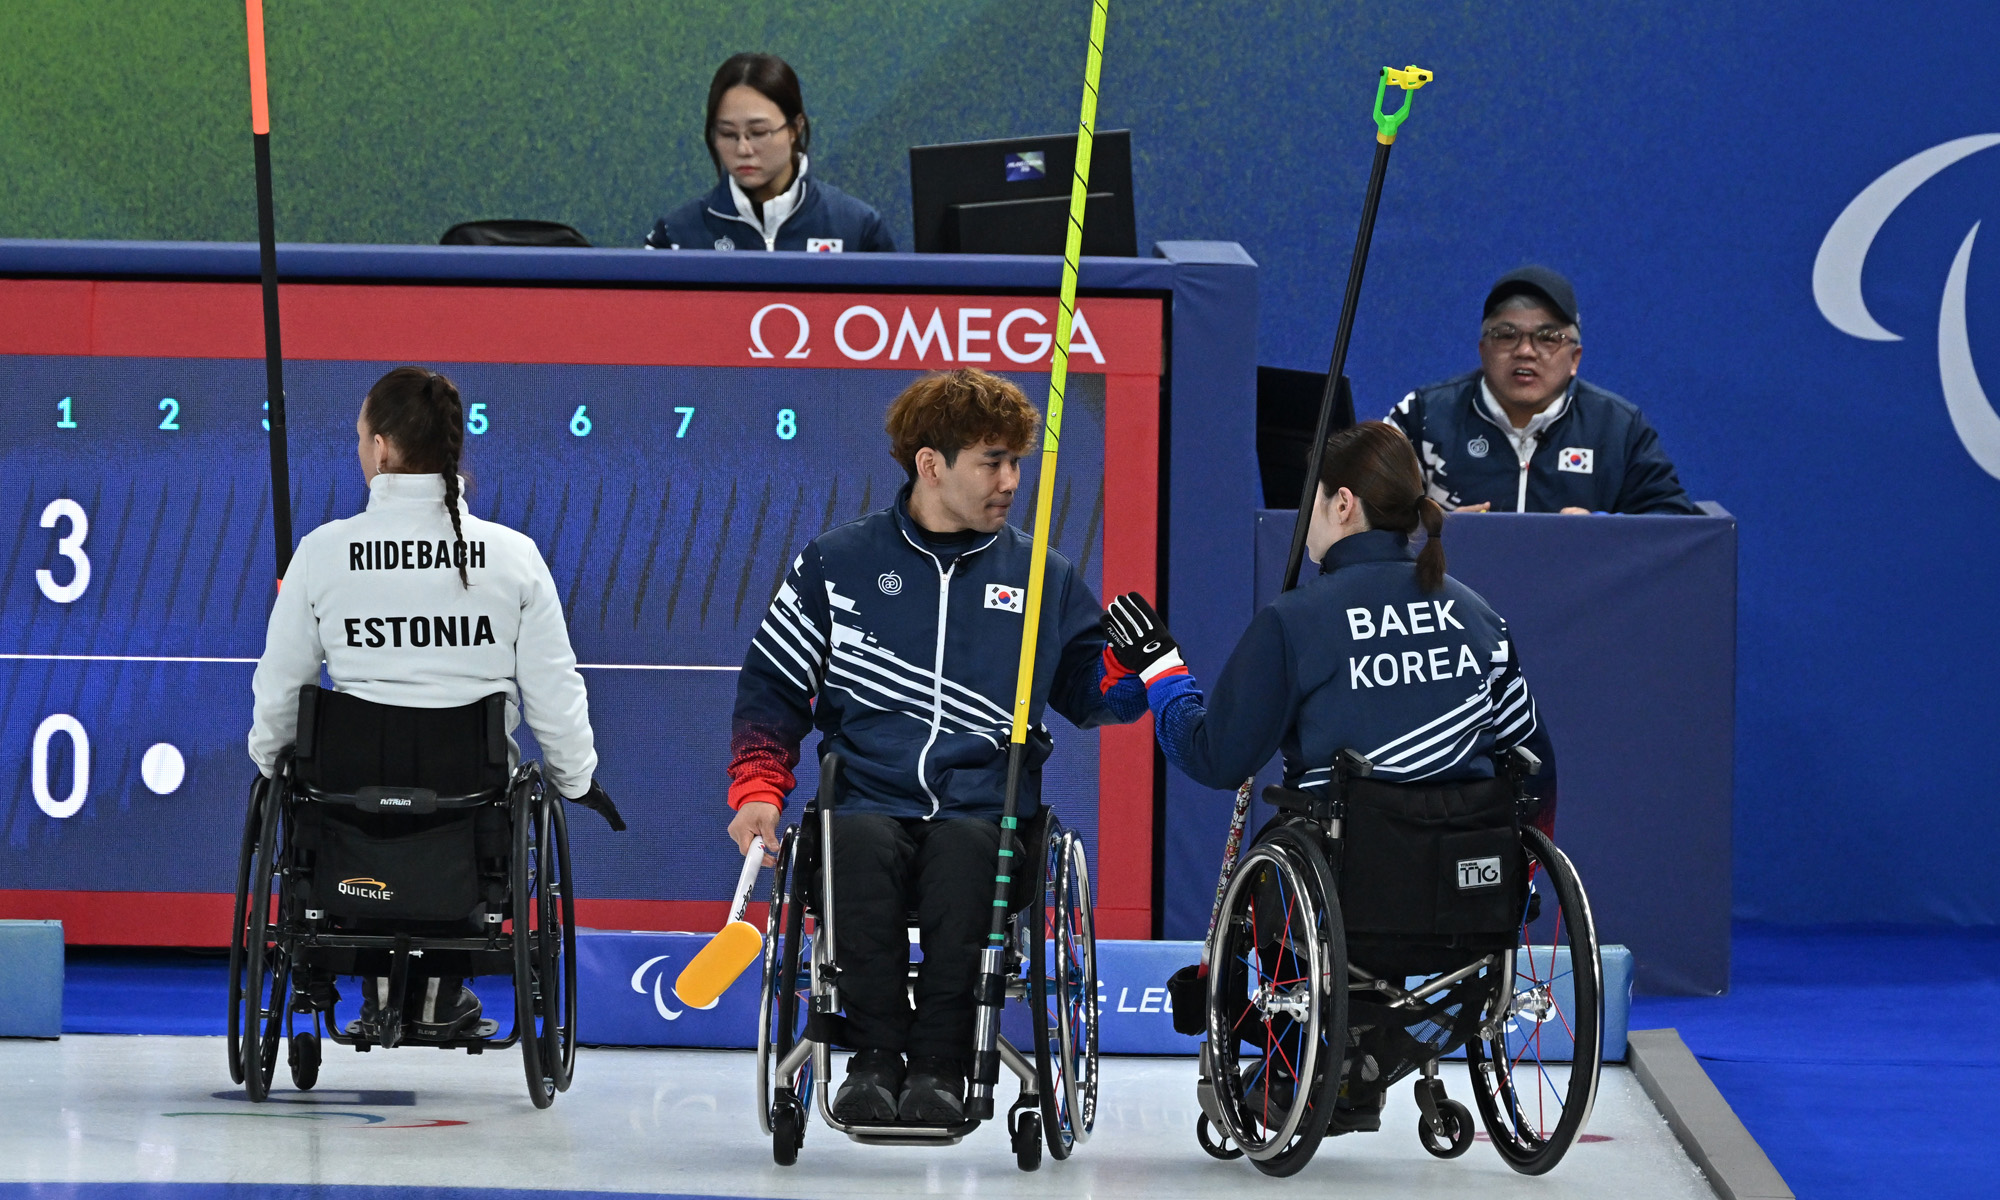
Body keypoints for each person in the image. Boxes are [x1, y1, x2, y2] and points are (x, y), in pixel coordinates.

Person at [1100, 420, 1555, 1127]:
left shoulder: (1296, 621)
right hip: (1470, 894)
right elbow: (1534, 766)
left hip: (1342, 892)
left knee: (1298, 844)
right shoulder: (1478, 615)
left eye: (1309, 500)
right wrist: (1520, 876)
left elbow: (1216, 756)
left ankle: (1296, 1062)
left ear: (1342, 504)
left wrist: (1162, 668)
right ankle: (1366, 1054)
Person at [725, 368, 1145, 1124]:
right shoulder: (835, 563)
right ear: (931, 465)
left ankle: (943, 1066)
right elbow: (772, 687)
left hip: (985, 808)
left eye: (1018, 462)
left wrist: (1137, 666)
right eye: (993, 461)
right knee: (852, 841)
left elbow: (1093, 698)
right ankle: (875, 1059)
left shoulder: (1044, 577)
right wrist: (758, 788)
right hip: (865, 799)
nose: (1011, 481)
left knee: (965, 855)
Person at [247, 365, 624, 1040]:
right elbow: (554, 689)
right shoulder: (513, 557)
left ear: (384, 448)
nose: (360, 450)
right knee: (484, 796)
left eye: (361, 438)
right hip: (469, 811)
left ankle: (380, 977)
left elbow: (281, 690)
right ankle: (433, 995)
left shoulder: (321, 554)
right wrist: (575, 778)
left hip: (347, 810)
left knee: (317, 790)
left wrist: (269, 759)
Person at [1387, 266, 1699, 514]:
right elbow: (1362, 515)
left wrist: (1603, 532)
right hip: (1448, 592)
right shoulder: (1421, 417)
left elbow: (1670, 524)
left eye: (1548, 337)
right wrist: (1436, 533)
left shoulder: (1618, 429)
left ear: (1575, 358)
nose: (1525, 351)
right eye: (1506, 335)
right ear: (1483, 350)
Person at [646, 53, 895, 253]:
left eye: (758, 132)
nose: (743, 149)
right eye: (728, 134)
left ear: (794, 129)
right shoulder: (676, 235)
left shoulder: (857, 227)